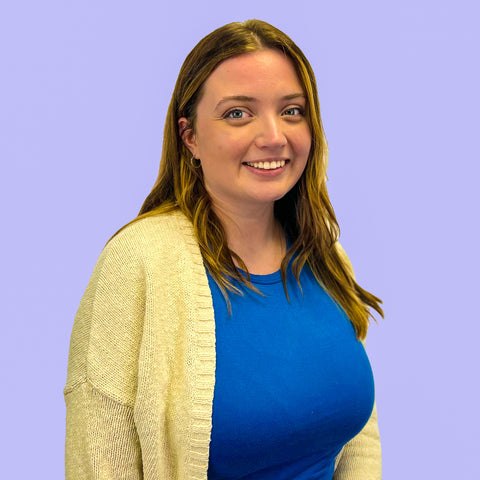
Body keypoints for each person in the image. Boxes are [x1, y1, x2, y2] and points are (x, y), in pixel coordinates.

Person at [64, 19, 384, 480]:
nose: (274, 136)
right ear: (189, 136)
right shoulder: (137, 263)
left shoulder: (324, 254)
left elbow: (356, 430)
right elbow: (99, 463)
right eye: (238, 113)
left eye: (292, 111)